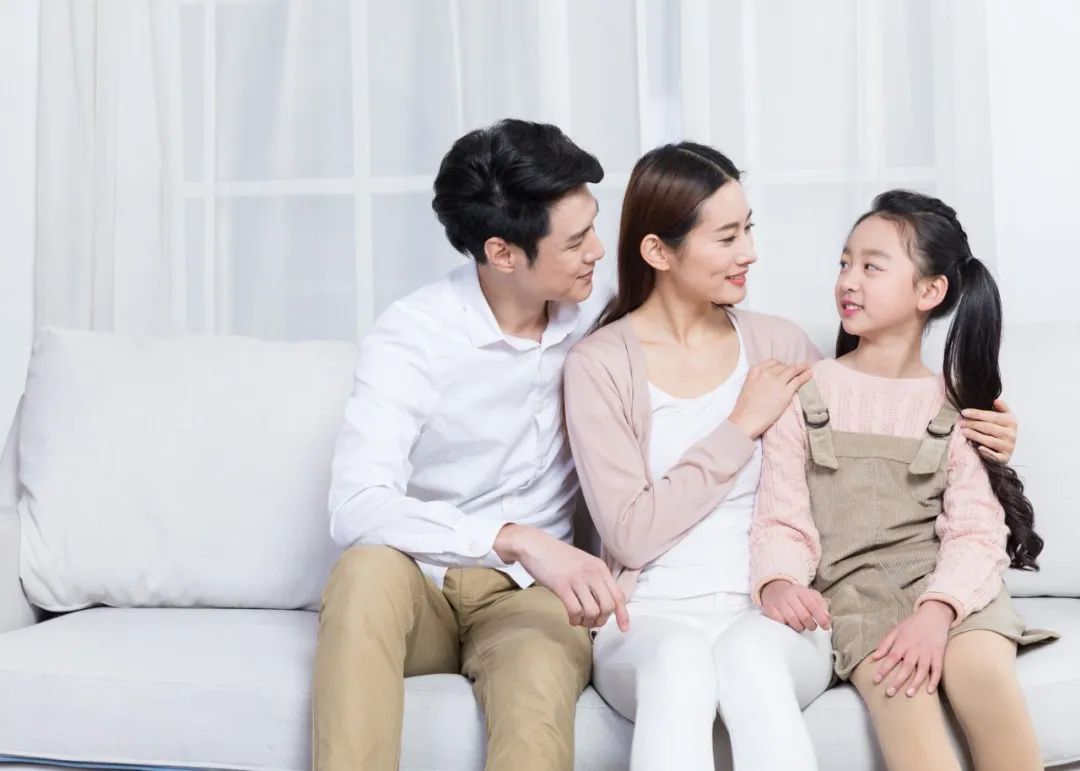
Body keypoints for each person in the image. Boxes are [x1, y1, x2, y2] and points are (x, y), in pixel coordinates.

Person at [562, 144, 1020, 770]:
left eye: (748, 229)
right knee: (678, 663)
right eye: (727, 237)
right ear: (659, 252)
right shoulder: (598, 364)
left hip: (775, 615)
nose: (749, 252)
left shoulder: (779, 344)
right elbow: (629, 535)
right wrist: (739, 427)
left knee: (749, 658)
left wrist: (990, 437)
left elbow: (876, 411)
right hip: (650, 616)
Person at [312, 119, 627, 771]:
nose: (598, 250)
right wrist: (513, 537)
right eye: (575, 242)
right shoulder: (414, 334)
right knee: (363, 572)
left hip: (530, 598)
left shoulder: (600, 318)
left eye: (593, 227)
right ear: (503, 253)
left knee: (535, 686)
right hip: (420, 587)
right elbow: (355, 504)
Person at [750, 189, 1057, 771]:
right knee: (905, 695)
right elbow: (781, 518)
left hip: (953, 592)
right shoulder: (803, 392)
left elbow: (975, 532)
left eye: (872, 266)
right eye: (844, 262)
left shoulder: (958, 405)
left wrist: (936, 612)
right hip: (858, 601)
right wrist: (778, 583)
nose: (848, 280)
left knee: (982, 675)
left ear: (929, 291)